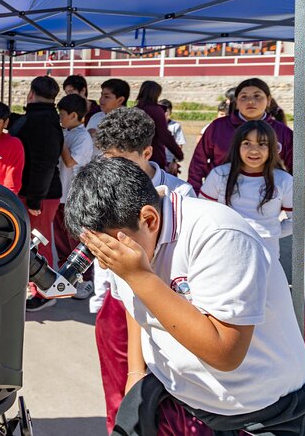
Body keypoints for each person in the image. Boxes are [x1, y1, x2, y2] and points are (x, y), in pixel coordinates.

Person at [66, 156, 305, 436]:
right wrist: (135, 372)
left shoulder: (220, 235)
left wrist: (140, 277)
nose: (106, 258)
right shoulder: (128, 238)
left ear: (149, 219)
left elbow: (225, 353)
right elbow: (136, 307)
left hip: (257, 411)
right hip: (177, 395)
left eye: (107, 247)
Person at [89, 107, 195, 433]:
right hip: (119, 304)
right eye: (107, 158)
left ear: (147, 152)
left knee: (165, 398)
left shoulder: (180, 194)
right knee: (119, 391)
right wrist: (101, 294)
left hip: (164, 304)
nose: (113, 169)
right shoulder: (102, 188)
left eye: (123, 160)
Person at [188, 77, 305, 194]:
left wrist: (286, 197)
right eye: (244, 97)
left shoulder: (282, 132)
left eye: (257, 96)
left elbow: (301, 170)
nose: (250, 101)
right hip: (221, 200)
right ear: (237, 102)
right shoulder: (218, 127)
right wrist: (196, 193)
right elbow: (198, 163)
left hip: (265, 202)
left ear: (269, 100)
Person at [8, 76, 63, 312]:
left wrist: (35, 198)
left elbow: (45, 163)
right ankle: (33, 286)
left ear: (31, 94)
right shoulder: (41, 118)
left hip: (40, 195)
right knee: (31, 242)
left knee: (39, 244)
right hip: (33, 191)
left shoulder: (45, 122)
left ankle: (46, 291)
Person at [199, 121, 291, 260]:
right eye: (247, 143)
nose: (254, 150)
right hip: (226, 249)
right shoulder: (219, 175)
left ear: (272, 147)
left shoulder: (284, 180)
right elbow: (203, 214)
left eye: (262, 144)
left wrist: (271, 231)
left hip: (267, 253)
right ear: (237, 146)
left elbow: (297, 220)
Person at [52, 93, 94, 299]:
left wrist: (59, 141)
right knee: (60, 238)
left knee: (75, 239)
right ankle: (65, 276)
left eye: (63, 114)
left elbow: (70, 162)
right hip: (59, 195)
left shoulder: (82, 137)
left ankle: (85, 279)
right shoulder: (67, 132)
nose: (60, 118)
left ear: (74, 115)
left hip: (73, 196)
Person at [135, 81, 183, 169]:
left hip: (135, 156)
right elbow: (164, 135)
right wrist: (178, 154)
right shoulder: (156, 111)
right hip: (154, 155)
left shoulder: (134, 110)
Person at [158, 99, 186, 175]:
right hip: (156, 161)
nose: (164, 113)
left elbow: (179, 145)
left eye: (166, 111)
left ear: (170, 112)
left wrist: (174, 162)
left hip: (170, 162)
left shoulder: (175, 126)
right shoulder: (154, 125)